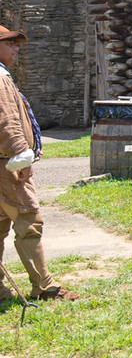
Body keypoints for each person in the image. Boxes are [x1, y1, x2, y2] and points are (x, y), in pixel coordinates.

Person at [0, 25, 78, 301]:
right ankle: (44, 287)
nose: (16, 48)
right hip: (6, 165)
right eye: (9, 43)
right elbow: (7, 119)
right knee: (28, 219)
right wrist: (20, 155)